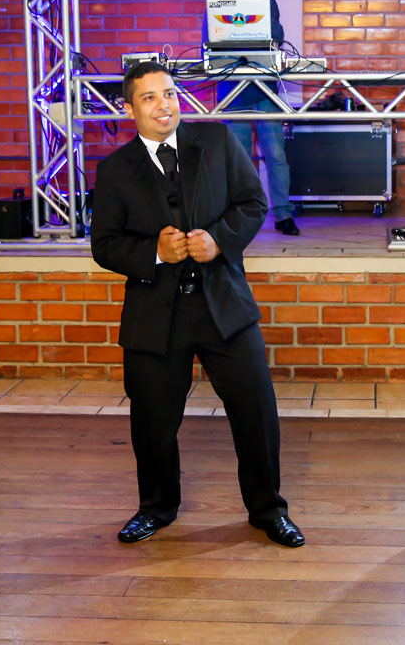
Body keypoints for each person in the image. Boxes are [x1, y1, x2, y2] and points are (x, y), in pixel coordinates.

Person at [90, 60, 305, 548]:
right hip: (154, 313)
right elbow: (104, 245)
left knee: (256, 410)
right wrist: (154, 252)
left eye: (169, 93)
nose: (162, 105)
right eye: (149, 97)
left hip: (223, 304)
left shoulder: (218, 141)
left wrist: (220, 240)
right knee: (152, 420)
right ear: (128, 108)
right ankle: (155, 508)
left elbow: (253, 202)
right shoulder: (114, 170)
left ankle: (268, 510)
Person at [216, 0, 299, 236]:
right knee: (238, 160)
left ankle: (283, 214)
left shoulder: (266, 2)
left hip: (265, 90)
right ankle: (243, 216)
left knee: (276, 154)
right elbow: (208, 46)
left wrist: (253, 6)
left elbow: (278, 36)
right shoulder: (216, 9)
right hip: (233, 92)